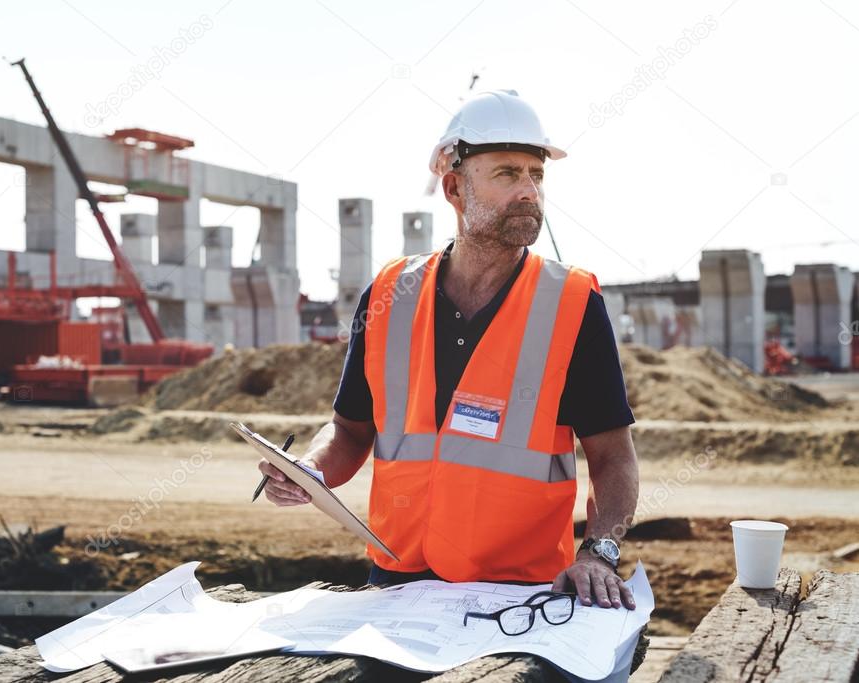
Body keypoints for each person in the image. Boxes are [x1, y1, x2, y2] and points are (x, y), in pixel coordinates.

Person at [259, 90, 639, 609]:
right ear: (455, 186)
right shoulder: (390, 294)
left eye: (537, 174)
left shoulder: (572, 304)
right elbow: (350, 431)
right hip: (396, 584)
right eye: (507, 173)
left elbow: (614, 458)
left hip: (520, 594)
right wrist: (312, 470)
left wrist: (599, 553)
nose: (529, 190)